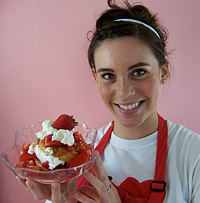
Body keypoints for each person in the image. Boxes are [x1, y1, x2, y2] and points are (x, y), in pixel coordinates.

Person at [17, 0, 200, 202]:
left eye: (139, 72)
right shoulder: (79, 155)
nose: (124, 92)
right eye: (108, 76)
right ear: (95, 78)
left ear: (163, 71)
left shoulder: (193, 155)